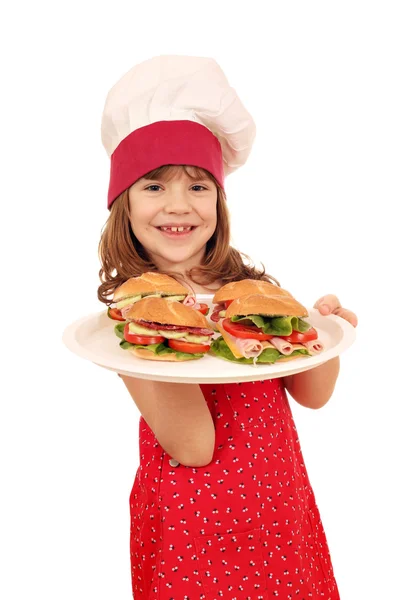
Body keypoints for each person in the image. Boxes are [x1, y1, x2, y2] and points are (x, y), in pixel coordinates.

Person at [97, 55, 358, 600]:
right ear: (123, 203)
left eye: (198, 186)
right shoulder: (128, 317)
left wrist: (326, 336)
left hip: (278, 508)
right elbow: (194, 445)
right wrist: (167, 332)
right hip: (193, 521)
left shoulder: (248, 288)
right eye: (153, 186)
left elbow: (311, 395)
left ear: (219, 198)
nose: (178, 206)